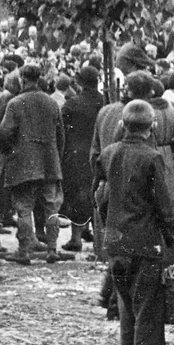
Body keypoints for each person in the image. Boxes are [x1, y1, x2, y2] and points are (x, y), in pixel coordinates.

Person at [95, 99, 174, 345]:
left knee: (127, 310)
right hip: (145, 245)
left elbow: (100, 198)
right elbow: (165, 207)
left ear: (123, 125)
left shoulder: (108, 154)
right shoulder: (152, 158)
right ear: (153, 128)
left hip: (115, 243)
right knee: (148, 313)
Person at [0, 63, 65, 265]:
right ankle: (52, 248)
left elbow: (4, 132)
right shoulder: (52, 103)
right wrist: (55, 156)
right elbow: (61, 135)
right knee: (51, 208)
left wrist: (10, 152)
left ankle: (23, 250)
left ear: (22, 79)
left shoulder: (16, 103)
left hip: (23, 162)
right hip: (49, 162)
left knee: (24, 208)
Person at [60, 66, 104, 252]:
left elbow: (60, 129)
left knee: (77, 195)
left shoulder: (71, 104)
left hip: (75, 155)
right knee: (96, 193)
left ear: (79, 82)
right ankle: (97, 237)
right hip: (99, 152)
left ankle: (76, 237)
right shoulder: (105, 101)